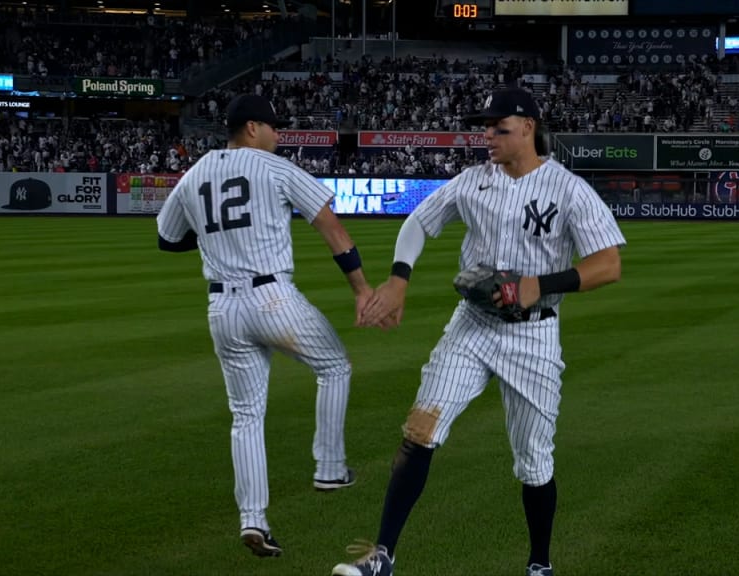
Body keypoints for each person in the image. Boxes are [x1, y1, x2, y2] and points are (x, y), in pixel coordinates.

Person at [330, 88, 626, 576]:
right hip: (472, 325)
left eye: (499, 128)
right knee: (419, 430)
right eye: (485, 127)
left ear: (528, 128)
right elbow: (419, 223)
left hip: (534, 335)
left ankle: (539, 564)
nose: (487, 135)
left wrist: (540, 284)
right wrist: (399, 279)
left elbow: (608, 264)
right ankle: (382, 556)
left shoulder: (568, 189)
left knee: (534, 461)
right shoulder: (472, 181)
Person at [156, 93, 372, 558]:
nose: (279, 135)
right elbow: (333, 230)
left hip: (222, 310)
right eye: (274, 127)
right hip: (272, 298)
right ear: (252, 128)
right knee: (334, 366)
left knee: (246, 416)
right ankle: (330, 467)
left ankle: (253, 519)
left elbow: (167, 240)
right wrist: (360, 289)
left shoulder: (194, 173)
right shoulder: (273, 168)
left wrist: (218, 236)